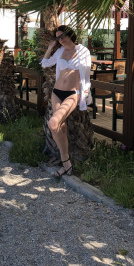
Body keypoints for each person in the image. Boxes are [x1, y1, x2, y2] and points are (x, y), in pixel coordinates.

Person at [41, 25, 92, 177]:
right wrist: (50, 47)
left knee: (53, 123)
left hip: (72, 94)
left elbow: (86, 74)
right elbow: (45, 63)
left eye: (62, 36)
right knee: (60, 126)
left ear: (70, 34)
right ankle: (66, 162)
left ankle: (65, 161)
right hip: (56, 93)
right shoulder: (59, 51)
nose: (60, 40)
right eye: (58, 38)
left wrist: (85, 93)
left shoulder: (83, 51)